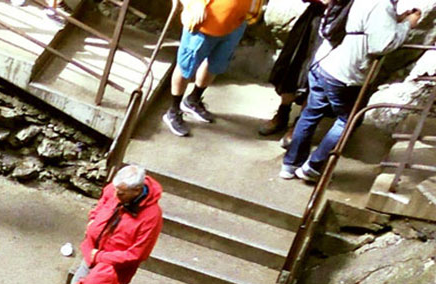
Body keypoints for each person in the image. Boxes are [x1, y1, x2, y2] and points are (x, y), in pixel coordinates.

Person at [282, 0, 425, 178]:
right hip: (344, 74)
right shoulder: (381, 4)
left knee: (311, 113)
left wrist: (398, 20)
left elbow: (370, 24)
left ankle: (289, 165)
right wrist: (407, 25)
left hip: (324, 63)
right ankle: (313, 166)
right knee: (348, 120)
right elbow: (381, 45)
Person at [164, 0, 263, 135]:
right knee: (186, 66)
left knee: (216, 65)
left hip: (235, 23)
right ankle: (173, 111)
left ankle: (193, 100)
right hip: (203, 23)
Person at [75, 165, 162, 284]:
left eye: (121, 194)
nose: (115, 196)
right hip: (90, 255)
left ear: (137, 190)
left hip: (113, 274)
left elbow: (137, 254)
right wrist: (93, 220)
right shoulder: (115, 189)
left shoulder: (151, 217)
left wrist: (99, 257)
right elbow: (103, 202)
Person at [260, 0, 328, 136]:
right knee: (292, 67)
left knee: (317, 73)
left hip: (340, 22)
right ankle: (282, 114)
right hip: (313, 19)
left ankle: (300, 124)